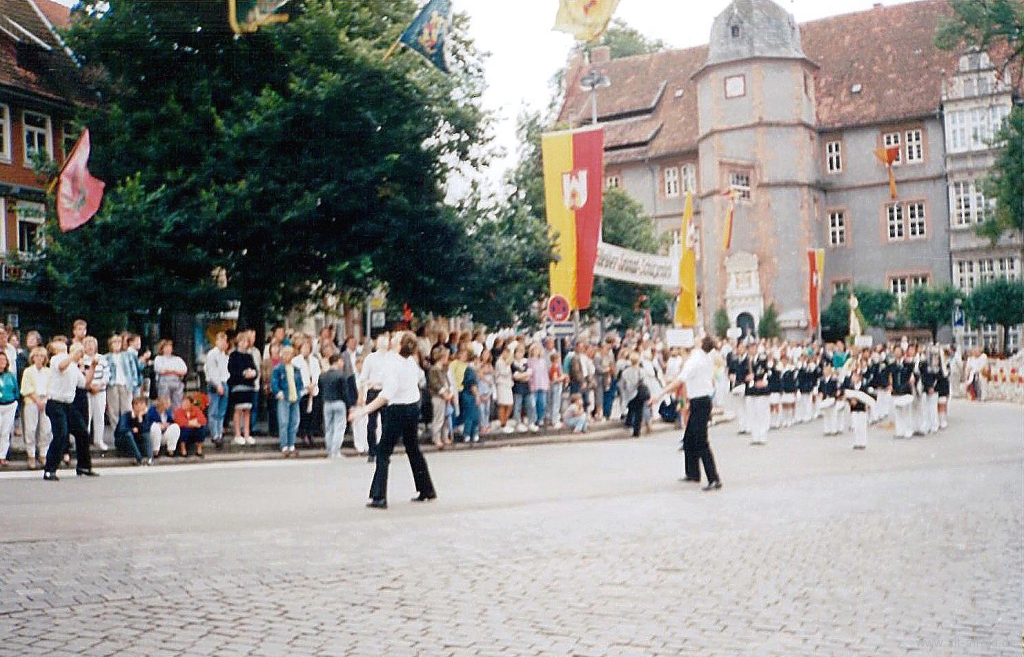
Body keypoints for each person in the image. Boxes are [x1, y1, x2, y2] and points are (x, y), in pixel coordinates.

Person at [349, 332, 436, 510]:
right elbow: (401, 382)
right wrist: (377, 383)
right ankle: (426, 489)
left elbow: (387, 395)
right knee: (413, 449)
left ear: (398, 345)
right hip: (412, 407)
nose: (393, 339)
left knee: (383, 451)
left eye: (396, 338)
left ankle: (379, 496)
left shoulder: (393, 364)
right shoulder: (410, 362)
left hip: (397, 409)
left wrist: (363, 410)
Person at [652, 336, 721, 491]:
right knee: (689, 437)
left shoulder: (695, 360)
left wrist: (660, 394)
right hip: (700, 400)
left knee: (701, 440)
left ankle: (714, 478)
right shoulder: (704, 357)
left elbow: (680, 380)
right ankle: (692, 472)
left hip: (699, 400)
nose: (695, 338)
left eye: (698, 338)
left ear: (700, 344)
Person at [42, 342, 98, 481]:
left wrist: (93, 367)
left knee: (83, 432)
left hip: (68, 404)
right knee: (61, 434)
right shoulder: (56, 359)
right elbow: (62, 366)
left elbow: (85, 383)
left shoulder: (73, 366)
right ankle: (50, 469)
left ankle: (84, 466)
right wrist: (73, 355)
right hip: (55, 403)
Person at [358, 335, 390, 462]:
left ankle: (384, 451)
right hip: (373, 390)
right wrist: (361, 395)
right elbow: (363, 377)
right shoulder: (370, 358)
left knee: (386, 423)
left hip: (386, 391)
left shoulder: (391, 358)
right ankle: (372, 451)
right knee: (371, 423)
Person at [20, 346, 51, 470]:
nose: (39, 358)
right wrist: (37, 400)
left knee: (46, 429)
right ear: (33, 358)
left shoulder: (48, 372)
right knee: (31, 429)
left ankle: (43, 454)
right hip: (32, 401)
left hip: (45, 401)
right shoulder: (28, 371)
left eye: (42, 356)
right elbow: (26, 388)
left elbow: (51, 387)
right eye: (37, 356)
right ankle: (31, 455)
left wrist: (44, 400)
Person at [271, 345, 304, 457]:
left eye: (289, 354)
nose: (287, 356)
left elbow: (300, 384)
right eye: (284, 354)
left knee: (294, 422)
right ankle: (284, 445)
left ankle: (291, 445)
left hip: (295, 398)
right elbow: (274, 383)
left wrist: (300, 393)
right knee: (284, 422)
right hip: (284, 398)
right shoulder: (278, 369)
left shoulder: (296, 369)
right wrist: (279, 392)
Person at [228, 332, 259, 446]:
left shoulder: (249, 356)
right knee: (238, 410)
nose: (244, 344)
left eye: (246, 342)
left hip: (249, 386)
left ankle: (247, 434)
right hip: (238, 386)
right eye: (242, 341)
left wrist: (253, 373)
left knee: (247, 410)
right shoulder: (234, 355)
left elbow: (255, 369)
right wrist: (243, 374)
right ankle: (237, 434)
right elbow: (232, 371)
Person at [83, 337, 110, 452]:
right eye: (87, 344)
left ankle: (99, 440)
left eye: (92, 344)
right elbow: (82, 375)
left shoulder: (102, 359)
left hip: (100, 391)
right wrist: (89, 386)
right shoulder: (82, 360)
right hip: (87, 391)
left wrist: (99, 386)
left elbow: (107, 375)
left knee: (100, 416)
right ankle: (85, 441)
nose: (90, 346)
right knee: (87, 417)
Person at [203, 331, 230, 448]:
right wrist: (218, 384)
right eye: (221, 340)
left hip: (224, 381)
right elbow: (212, 371)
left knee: (221, 411)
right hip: (215, 383)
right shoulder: (212, 354)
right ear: (217, 341)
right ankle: (215, 435)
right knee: (214, 410)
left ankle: (219, 432)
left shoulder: (224, 355)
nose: (224, 343)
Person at [319, 353, 348, 458]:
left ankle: (329, 450)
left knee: (329, 427)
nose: (343, 363)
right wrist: (348, 404)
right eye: (341, 361)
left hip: (327, 402)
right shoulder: (341, 375)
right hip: (339, 402)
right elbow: (345, 392)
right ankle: (336, 451)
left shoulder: (323, 375)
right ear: (337, 361)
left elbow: (320, 389)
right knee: (339, 427)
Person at [426, 347, 453, 448]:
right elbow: (434, 384)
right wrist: (443, 393)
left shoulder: (443, 369)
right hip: (438, 396)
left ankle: (445, 436)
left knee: (446, 417)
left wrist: (449, 392)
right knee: (438, 417)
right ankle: (436, 437)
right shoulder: (434, 369)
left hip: (446, 396)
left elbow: (447, 382)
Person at [114, 396, 152, 465]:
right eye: (139, 404)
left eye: (143, 405)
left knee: (146, 434)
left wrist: (140, 418)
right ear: (134, 406)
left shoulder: (144, 416)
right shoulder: (126, 415)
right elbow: (121, 430)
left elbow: (145, 429)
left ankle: (150, 458)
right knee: (128, 434)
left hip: (137, 441)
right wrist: (131, 430)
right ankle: (139, 458)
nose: (142, 407)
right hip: (123, 441)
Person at [153, 340, 187, 409]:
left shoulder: (177, 359)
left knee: (177, 404)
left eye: (170, 347)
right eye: (166, 347)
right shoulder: (158, 359)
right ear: (162, 349)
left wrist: (171, 371)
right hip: (164, 383)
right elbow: (161, 370)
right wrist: (174, 370)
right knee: (164, 403)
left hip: (177, 383)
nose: (168, 349)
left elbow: (184, 370)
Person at [618, 351, 644, 438]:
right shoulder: (641, 371)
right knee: (638, 413)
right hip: (638, 392)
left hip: (629, 393)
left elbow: (622, 384)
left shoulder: (625, 372)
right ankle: (637, 430)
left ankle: (628, 422)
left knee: (631, 408)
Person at [846, 369, 873, 450]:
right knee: (856, 425)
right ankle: (857, 441)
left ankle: (862, 442)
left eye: (855, 376)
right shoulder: (851, 387)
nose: (853, 378)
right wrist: (851, 400)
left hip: (862, 408)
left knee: (862, 426)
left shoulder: (864, 387)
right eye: (852, 376)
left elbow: (868, 397)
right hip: (854, 408)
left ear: (859, 377)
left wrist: (867, 405)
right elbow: (847, 395)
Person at [0, 352, 18, 466]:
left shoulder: (10, 375)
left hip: (10, 405)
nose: (2, 362)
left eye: (3, 360)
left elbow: (16, 390)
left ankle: (2, 455)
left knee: (5, 432)